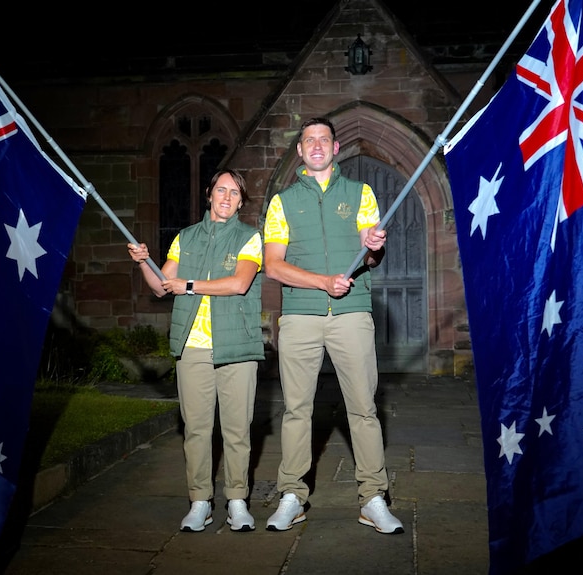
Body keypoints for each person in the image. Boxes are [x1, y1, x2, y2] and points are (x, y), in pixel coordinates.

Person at [262, 117, 404, 534]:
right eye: (309, 140)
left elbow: (370, 255)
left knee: (363, 408)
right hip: (301, 316)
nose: (317, 145)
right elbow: (273, 266)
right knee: (296, 410)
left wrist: (374, 248)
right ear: (301, 152)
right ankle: (292, 495)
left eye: (324, 139)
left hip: (352, 314)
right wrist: (322, 282)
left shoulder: (360, 194)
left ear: (336, 148)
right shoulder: (282, 202)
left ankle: (374, 498)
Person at [128, 169, 264, 532]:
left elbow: (238, 284)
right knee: (197, 429)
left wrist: (187, 285)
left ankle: (237, 501)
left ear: (240, 201)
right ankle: (200, 501)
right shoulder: (185, 238)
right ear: (209, 194)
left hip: (236, 346)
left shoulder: (250, 237)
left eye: (234, 194)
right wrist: (143, 261)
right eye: (221, 190)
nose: (226, 198)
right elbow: (160, 287)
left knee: (237, 429)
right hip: (192, 347)